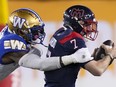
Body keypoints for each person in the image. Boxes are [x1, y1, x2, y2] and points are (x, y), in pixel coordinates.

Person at [0, 8, 94, 80]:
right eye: (34, 31)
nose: (38, 35)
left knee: (36, 51)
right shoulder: (11, 42)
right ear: (20, 31)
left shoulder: (10, 33)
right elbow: (39, 64)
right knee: (35, 52)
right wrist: (72, 58)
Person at [44, 5, 116, 87]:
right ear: (76, 23)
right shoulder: (74, 38)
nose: (89, 29)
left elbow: (70, 63)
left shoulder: (59, 33)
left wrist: (90, 58)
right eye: (86, 24)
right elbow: (98, 70)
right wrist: (111, 55)